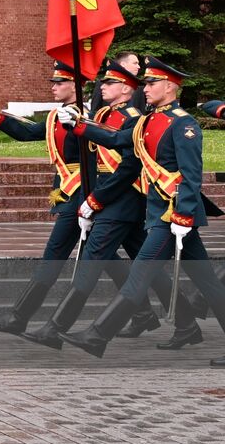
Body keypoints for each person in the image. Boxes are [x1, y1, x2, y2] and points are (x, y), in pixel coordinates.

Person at [21, 59, 197, 348]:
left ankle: (57, 329)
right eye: (103, 82)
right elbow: (102, 150)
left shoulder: (135, 117)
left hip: (125, 200)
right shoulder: (105, 114)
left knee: (93, 259)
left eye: (110, 83)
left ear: (126, 90)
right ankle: (186, 323)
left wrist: (95, 200)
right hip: (114, 199)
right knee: (147, 268)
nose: (102, 86)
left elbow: (128, 166)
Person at [60, 58, 225, 363]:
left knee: (140, 273)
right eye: (146, 83)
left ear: (170, 87)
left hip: (173, 217)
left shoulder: (183, 124)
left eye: (152, 83)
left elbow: (191, 174)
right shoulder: (147, 122)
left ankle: (97, 335)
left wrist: (184, 215)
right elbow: (116, 139)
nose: (145, 88)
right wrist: (80, 126)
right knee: (209, 284)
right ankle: (182, 330)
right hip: (163, 214)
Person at [0, 62, 95, 335]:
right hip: (68, 192)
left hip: (86, 194)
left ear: (76, 86)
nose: (53, 87)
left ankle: (20, 317)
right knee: (107, 258)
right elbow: (27, 132)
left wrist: (92, 200)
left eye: (59, 82)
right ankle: (151, 313)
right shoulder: (56, 117)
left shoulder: (90, 117)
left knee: (56, 254)